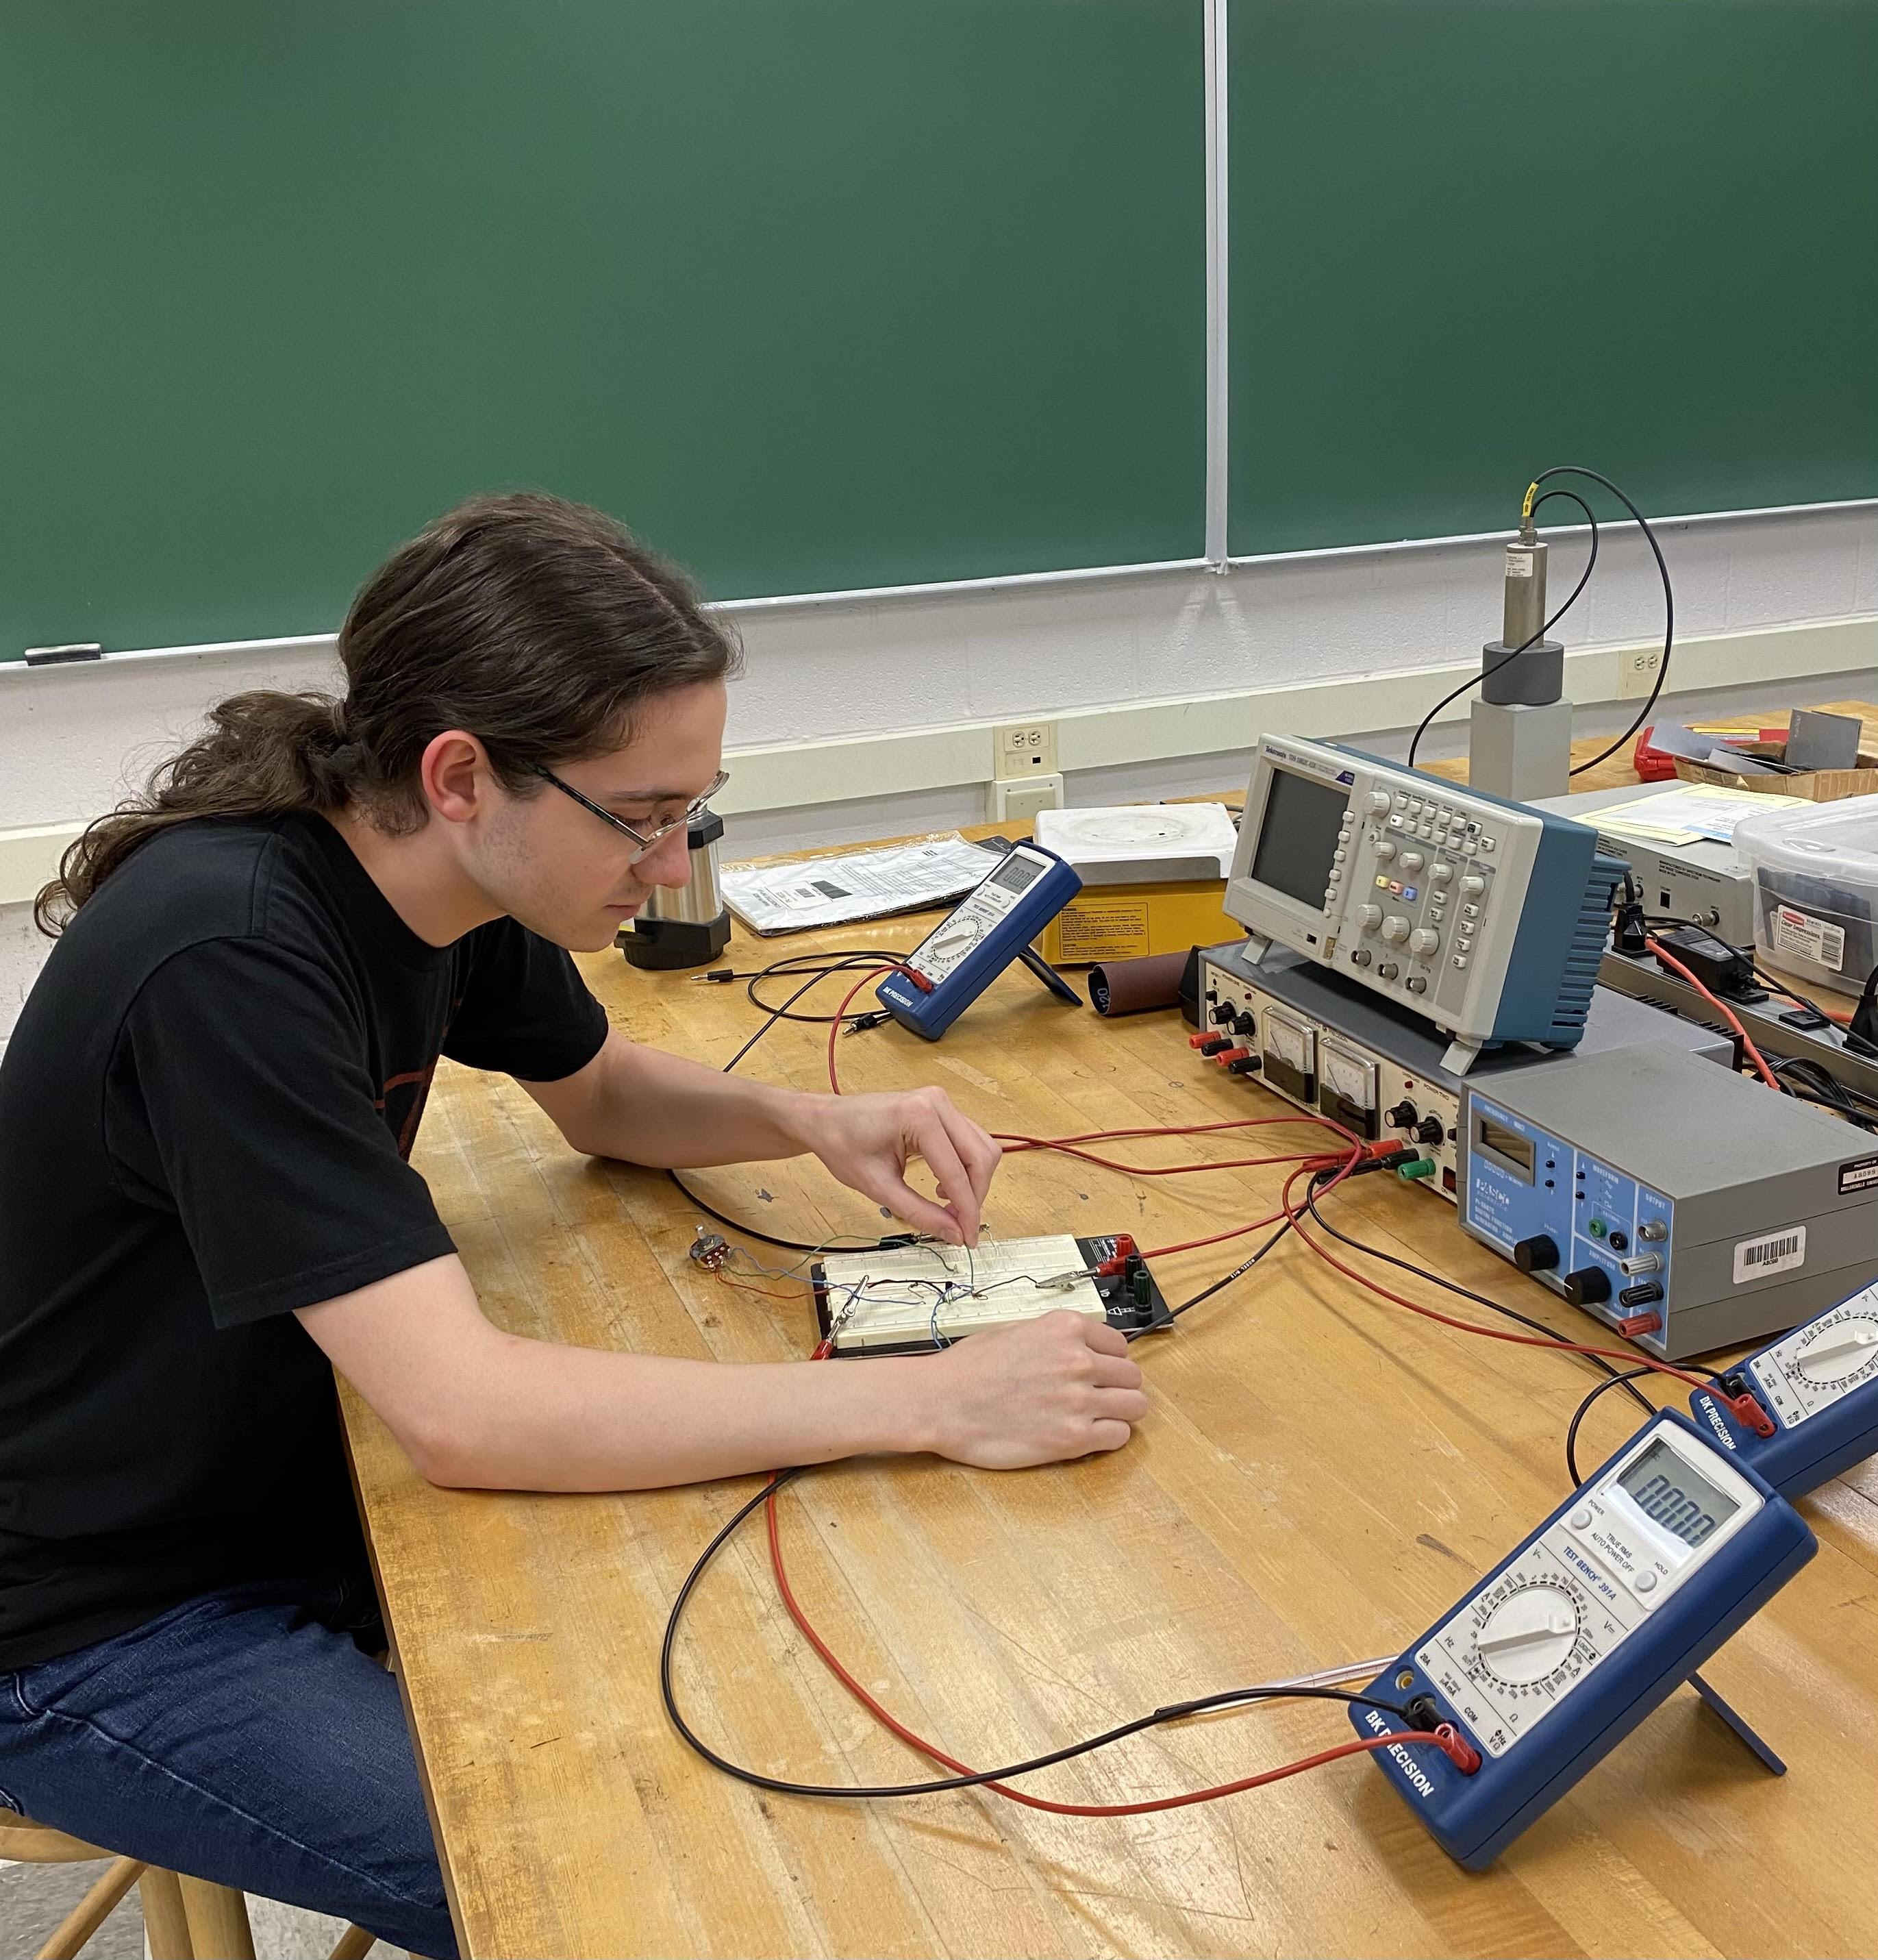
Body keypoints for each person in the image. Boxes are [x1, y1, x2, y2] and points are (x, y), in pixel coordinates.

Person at [0, 494, 1147, 1955]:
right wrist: (931, 1397)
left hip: (292, 1484)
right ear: (464, 773)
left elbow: (599, 1095)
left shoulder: (439, 884)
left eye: (691, 811)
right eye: (644, 817)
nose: (672, 867)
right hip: (107, 1618)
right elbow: (467, 1416)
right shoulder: (232, 951)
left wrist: (811, 1119)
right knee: (622, 1899)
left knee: (792, 1725)